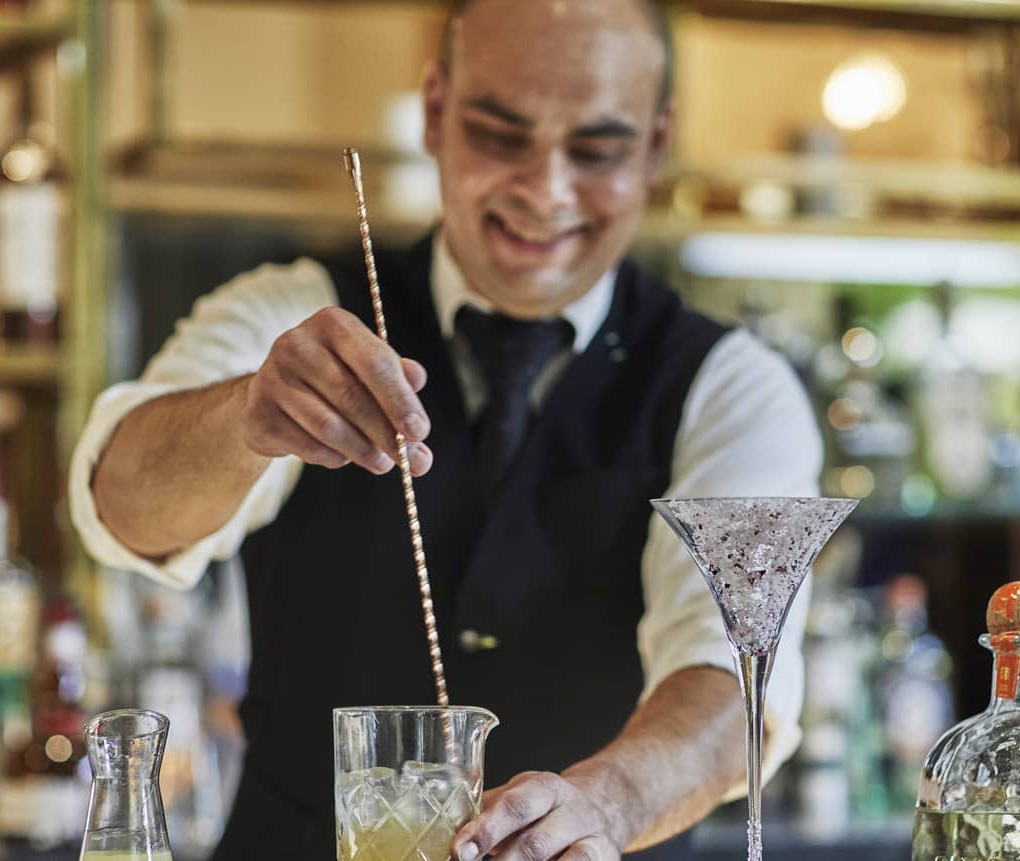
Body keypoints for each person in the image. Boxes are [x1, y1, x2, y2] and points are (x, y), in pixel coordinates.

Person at [69, 0, 823, 858]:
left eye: (597, 149)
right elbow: (120, 508)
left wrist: (604, 806)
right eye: (502, 135)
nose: (546, 190)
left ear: (655, 146)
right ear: (434, 112)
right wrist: (244, 417)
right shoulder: (296, 310)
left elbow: (733, 692)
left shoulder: (731, 390)